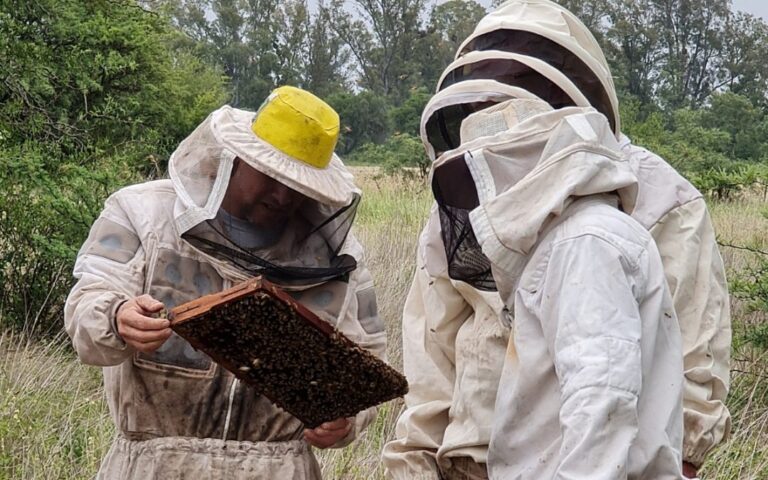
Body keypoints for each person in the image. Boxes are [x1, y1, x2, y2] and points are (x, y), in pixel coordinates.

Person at [383, 1, 730, 479]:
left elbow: (657, 376)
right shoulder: (462, 205)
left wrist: (685, 455)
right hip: (476, 462)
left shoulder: (648, 208)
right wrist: (416, 461)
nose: (501, 123)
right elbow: (433, 345)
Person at [64, 86, 386, 479]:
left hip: (279, 469)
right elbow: (87, 305)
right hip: (155, 467)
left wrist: (345, 419)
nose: (282, 195)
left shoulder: (339, 259)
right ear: (235, 159)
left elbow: (367, 365)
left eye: (298, 184)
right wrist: (116, 317)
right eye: (270, 175)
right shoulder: (142, 213)